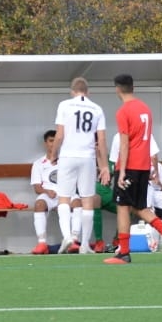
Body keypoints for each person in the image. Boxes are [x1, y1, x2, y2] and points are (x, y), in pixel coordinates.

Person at [103, 74, 162, 264]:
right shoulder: (145, 108)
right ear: (132, 87)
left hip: (130, 166)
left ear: (117, 89)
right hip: (143, 167)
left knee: (122, 207)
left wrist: (121, 171)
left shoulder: (123, 111)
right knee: (139, 207)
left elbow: (125, 143)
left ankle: (124, 253)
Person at [54, 78, 107, 254]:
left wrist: (53, 153)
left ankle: (67, 236)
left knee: (64, 197)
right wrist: (104, 165)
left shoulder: (64, 105)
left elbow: (59, 135)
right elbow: (101, 139)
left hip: (68, 155)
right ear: (88, 92)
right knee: (87, 200)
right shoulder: (97, 108)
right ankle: (84, 244)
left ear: (72, 91)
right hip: (88, 157)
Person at [29, 128, 61, 254]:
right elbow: (37, 188)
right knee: (39, 204)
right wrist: (47, 192)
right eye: (51, 141)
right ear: (45, 143)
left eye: (56, 141)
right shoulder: (38, 163)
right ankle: (42, 243)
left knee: (77, 204)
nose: (53, 144)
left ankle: (74, 241)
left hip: (64, 195)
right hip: (48, 196)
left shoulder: (66, 161)